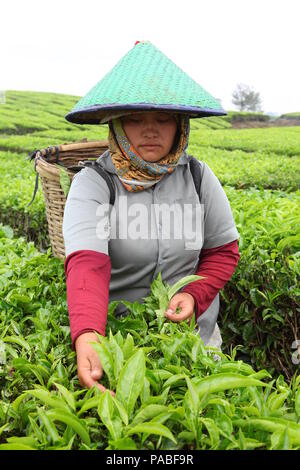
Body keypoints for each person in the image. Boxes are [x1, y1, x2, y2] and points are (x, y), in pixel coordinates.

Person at [62, 41, 240, 394]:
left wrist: (195, 294)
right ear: (116, 124)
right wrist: (88, 334)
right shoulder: (95, 183)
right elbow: (87, 265)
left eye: (163, 119)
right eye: (135, 119)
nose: (150, 130)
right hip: (123, 353)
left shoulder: (199, 177)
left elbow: (223, 251)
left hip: (196, 348)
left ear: (180, 125)